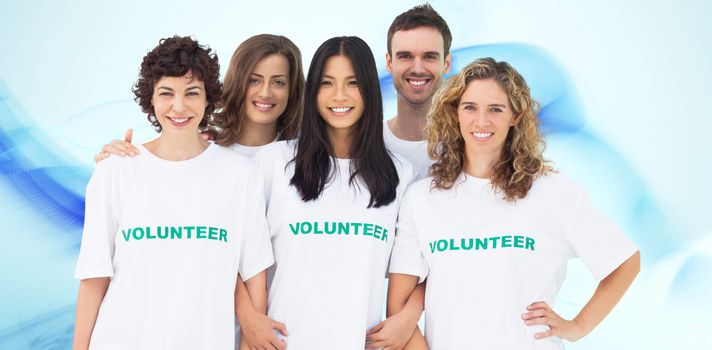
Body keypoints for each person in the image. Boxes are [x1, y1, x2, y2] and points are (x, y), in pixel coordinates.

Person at [387, 58, 640, 349]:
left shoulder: (552, 191)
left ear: (515, 116)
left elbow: (625, 262)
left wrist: (577, 327)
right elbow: (399, 304)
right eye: (470, 107)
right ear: (455, 112)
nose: (481, 121)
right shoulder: (422, 199)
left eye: (495, 109)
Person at [72, 36, 274, 350]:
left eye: (192, 93)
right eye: (166, 93)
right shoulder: (115, 170)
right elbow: (94, 277)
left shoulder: (240, 174)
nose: (179, 106)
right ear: (149, 99)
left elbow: (255, 278)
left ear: (208, 98)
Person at [250, 36, 414, 349]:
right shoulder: (272, 162)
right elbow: (235, 260)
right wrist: (250, 320)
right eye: (327, 83)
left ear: (369, 89)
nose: (339, 95)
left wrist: (408, 317)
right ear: (313, 91)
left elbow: (425, 265)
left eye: (352, 83)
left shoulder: (399, 174)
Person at [94, 34, 304, 160]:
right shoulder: (206, 147)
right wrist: (117, 162)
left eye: (279, 82)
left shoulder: (306, 155)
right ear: (238, 82)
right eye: (254, 80)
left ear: (293, 88)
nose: (265, 92)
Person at [383, 3, 452, 180]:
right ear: (389, 63)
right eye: (405, 56)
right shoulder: (366, 142)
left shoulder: (467, 144)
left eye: (429, 56)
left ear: (447, 64)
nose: (418, 69)